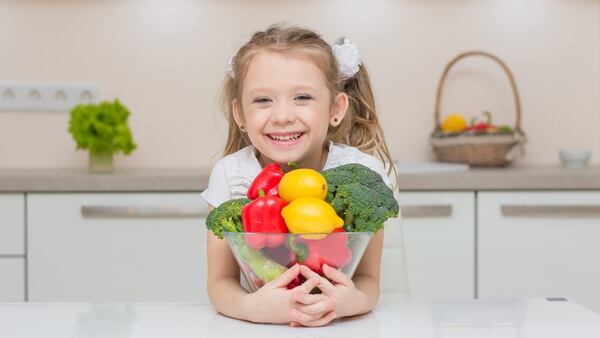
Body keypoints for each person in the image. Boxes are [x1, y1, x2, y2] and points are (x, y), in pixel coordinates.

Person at [201, 24, 397, 327]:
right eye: (263, 100)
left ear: (335, 108)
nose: (282, 116)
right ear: (240, 114)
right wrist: (250, 308)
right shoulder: (231, 174)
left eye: (302, 97)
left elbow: (368, 279)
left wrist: (353, 301)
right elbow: (220, 283)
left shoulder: (362, 175)